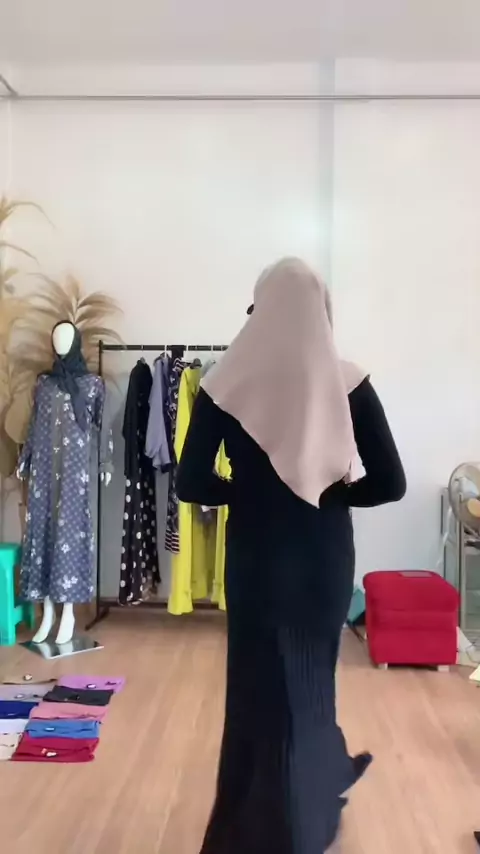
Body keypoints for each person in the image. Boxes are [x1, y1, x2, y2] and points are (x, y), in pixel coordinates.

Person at [176, 258, 406, 854]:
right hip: (323, 558)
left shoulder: (225, 381)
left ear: (260, 309)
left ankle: (253, 824)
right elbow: (391, 483)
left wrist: (245, 491)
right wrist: (333, 493)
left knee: (256, 691)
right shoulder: (348, 381)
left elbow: (190, 482)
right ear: (321, 311)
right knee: (311, 686)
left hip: (256, 557)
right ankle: (309, 814)